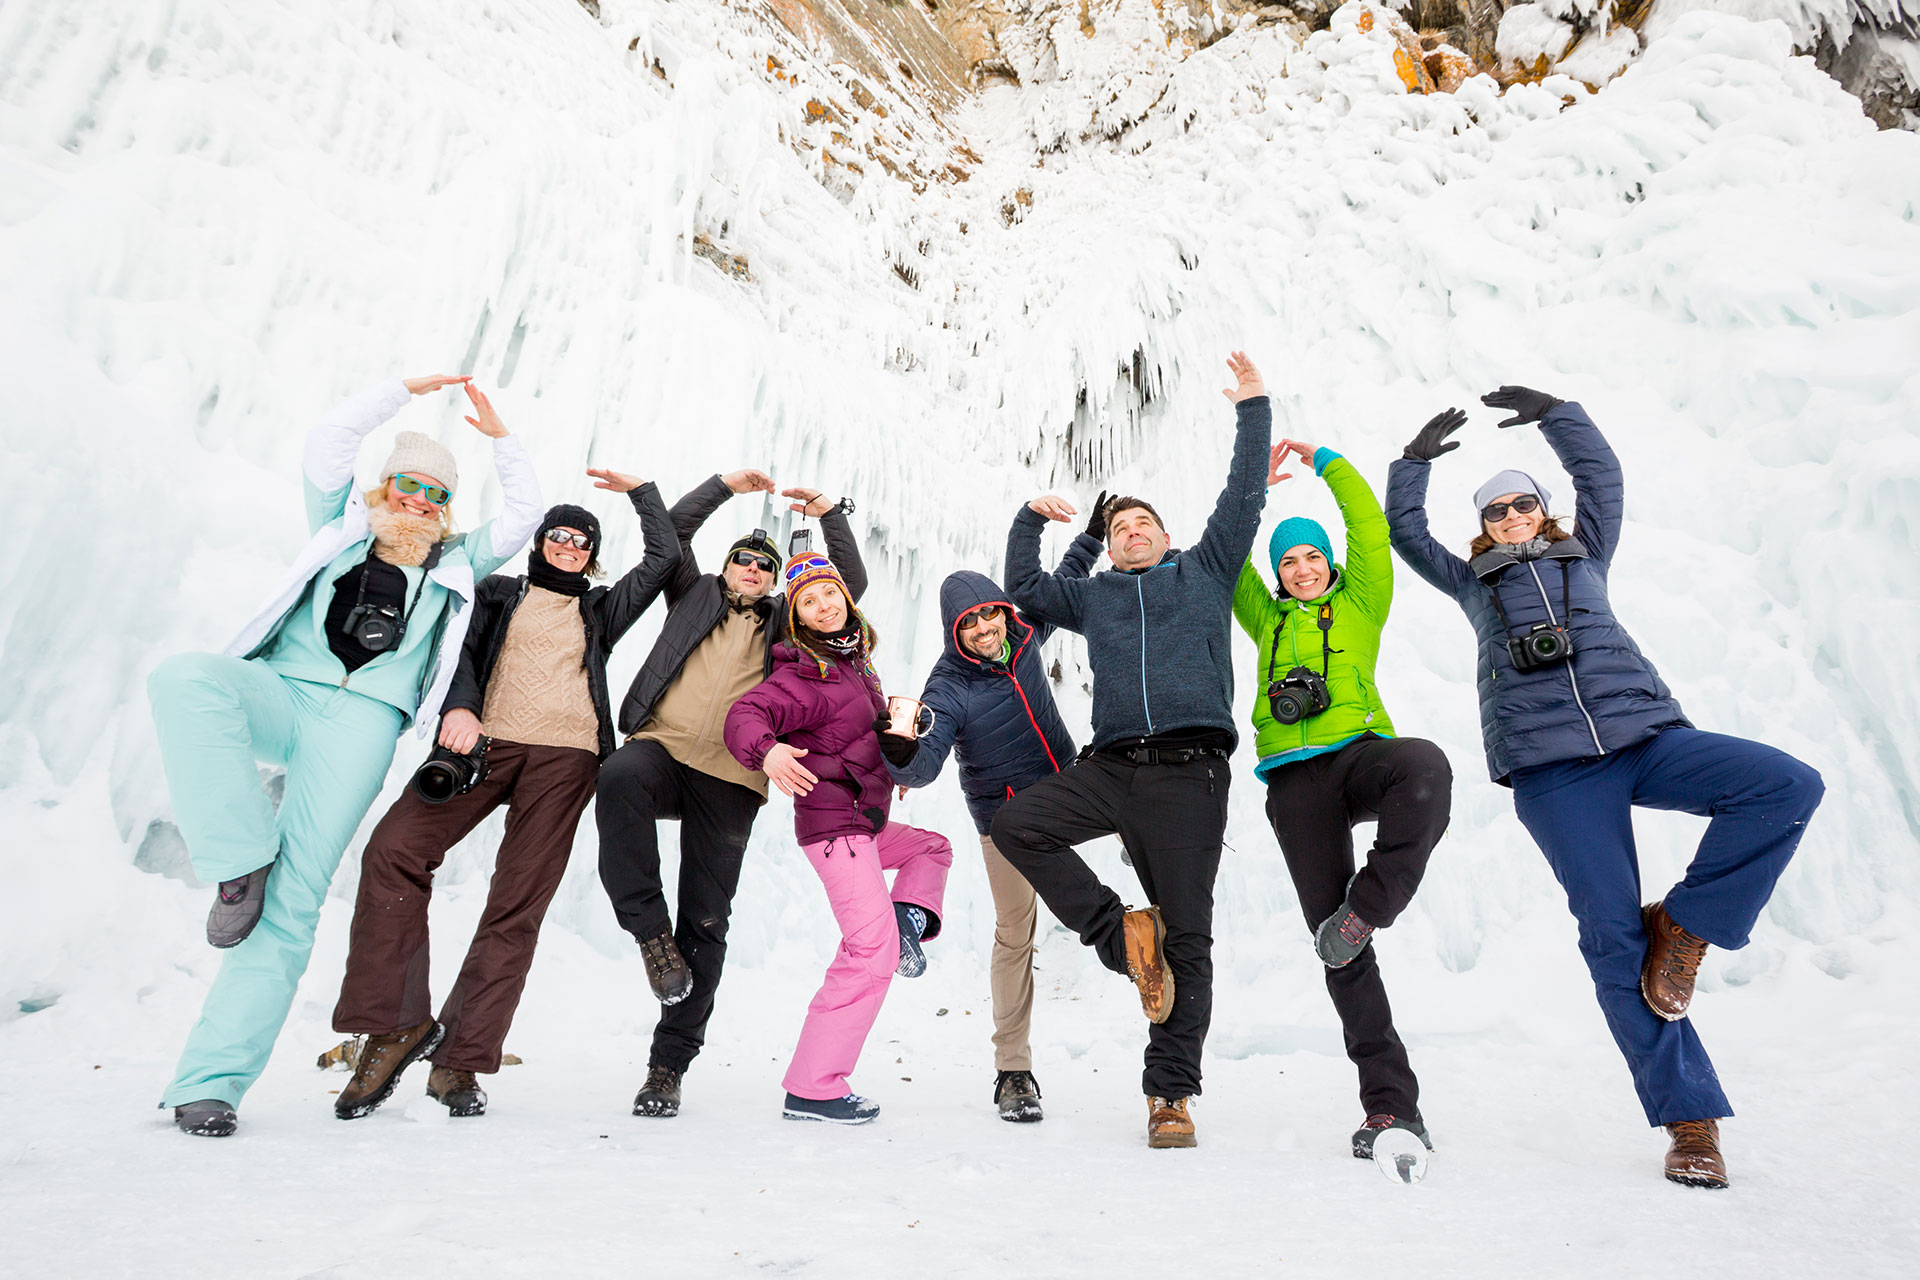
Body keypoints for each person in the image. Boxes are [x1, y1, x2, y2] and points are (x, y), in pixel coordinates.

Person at [1385, 385, 1824, 1189]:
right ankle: (1691, 1122)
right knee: (1613, 940)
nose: (1511, 516)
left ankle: (1685, 925)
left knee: (1787, 785)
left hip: (1645, 737)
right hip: (1552, 771)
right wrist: (1411, 465)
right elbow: (1406, 534)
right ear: (1483, 527)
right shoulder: (1473, 583)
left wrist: (1558, 415)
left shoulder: (1585, 552)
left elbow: (1602, 478)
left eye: (1523, 504)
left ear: (1542, 511)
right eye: (1495, 511)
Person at [146, 375, 542, 1137]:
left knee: (293, 903)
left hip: (361, 725)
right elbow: (329, 441)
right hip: (282, 687)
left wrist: (502, 440)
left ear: (446, 508)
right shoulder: (340, 526)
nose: (420, 501)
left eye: (436, 493)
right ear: (385, 487)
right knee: (186, 679)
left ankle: (209, 1084)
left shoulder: (456, 562)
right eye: (409, 485)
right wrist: (397, 391)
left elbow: (524, 515)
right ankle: (239, 862)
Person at [327, 469, 681, 1120]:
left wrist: (642, 492)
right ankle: (394, 1025)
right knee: (394, 850)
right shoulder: (495, 591)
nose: (568, 546)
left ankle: (458, 1062)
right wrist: (459, 707)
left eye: (581, 541)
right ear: (540, 541)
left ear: (592, 556)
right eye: (559, 536)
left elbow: (664, 559)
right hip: (481, 745)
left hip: (567, 761)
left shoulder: (600, 609)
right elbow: (458, 651)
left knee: (516, 907)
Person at [990, 351, 1272, 1149]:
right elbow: (1026, 590)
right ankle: (1120, 937)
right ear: (1109, 548)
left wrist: (1253, 406)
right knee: (1017, 826)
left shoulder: (1207, 572)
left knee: (1189, 936)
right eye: (1120, 528)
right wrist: (1031, 521)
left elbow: (1243, 493)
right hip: (1111, 766)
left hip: (1189, 773)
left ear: (1167, 537)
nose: (1132, 531)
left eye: (1143, 523)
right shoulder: (1096, 596)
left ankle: (1169, 1096)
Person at [596, 470, 867, 1118]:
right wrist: (721, 486)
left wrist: (828, 513)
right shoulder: (692, 594)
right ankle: (650, 935)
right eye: (743, 559)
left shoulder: (786, 626)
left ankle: (667, 1067)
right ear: (725, 567)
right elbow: (672, 534)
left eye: (764, 565)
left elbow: (846, 585)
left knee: (707, 921)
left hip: (733, 775)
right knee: (618, 776)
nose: (752, 568)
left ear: (774, 582)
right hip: (662, 747)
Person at [1232, 436, 1453, 1162]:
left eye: (1311, 557)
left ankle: (1369, 906)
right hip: (1294, 784)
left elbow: (1369, 527)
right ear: (1277, 574)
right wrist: (1251, 486)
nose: (1302, 569)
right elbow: (1224, 551)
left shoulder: (1361, 602)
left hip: (1360, 755)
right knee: (1341, 956)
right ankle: (1391, 1108)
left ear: (1328, 563)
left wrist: (1327, 462)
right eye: (1288, 561)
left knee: (1424, 765)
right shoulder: (1264, 619)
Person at [722, 550, 952, 1124]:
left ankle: (906, 919)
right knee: (871, 955)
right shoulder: (803, 673)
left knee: (931, 847)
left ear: (845, 599)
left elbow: (850, 740)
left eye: (829, 592)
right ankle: (814, 1087)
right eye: (808, 600)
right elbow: (744, 715)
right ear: (796, 617)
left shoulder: (853, 664)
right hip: (836, 831)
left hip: (864, 823)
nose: (823, 605)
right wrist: (768, 752)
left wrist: (894, 763)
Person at [879, 530, 1101, 1122]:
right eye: (969, 623)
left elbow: (1064, 582)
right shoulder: (948, 686)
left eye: (989, 615)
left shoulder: (1024, 634)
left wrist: (1091, 537)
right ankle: (1013, 1071)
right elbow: (925, 764)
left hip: (1066, 788)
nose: (984, 629)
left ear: (1003, 611)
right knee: (1015, 933)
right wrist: (900, 755)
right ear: (954, 632)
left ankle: (1139, 839)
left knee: (1135, 793)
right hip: (1007, 822)